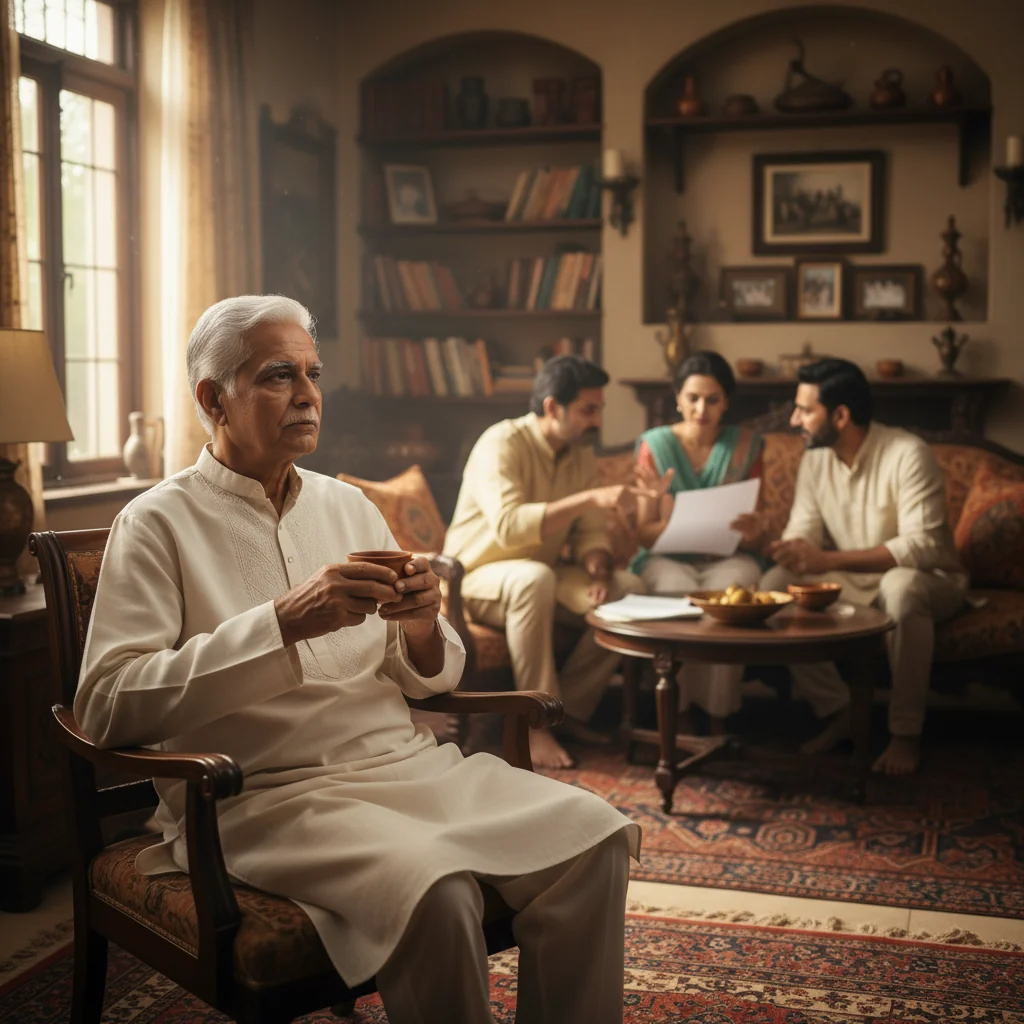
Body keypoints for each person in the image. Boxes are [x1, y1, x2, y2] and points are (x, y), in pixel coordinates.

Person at [75, 296, 640, 1024]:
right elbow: (107, 705)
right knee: (438, 892)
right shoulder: (154, 524)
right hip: (264, 798)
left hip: (408, 768)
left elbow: (426, 674)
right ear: (213, 399)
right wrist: (281, 623)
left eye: (313, 373)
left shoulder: (349, 507)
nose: (308, 394)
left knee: (594, 840)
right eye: (280, 376)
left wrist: (423, 624)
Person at [762, 358, 967, 775]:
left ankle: (904, 735)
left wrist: (826, 560)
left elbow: (923, 546)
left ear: (840, 415)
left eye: (804, 409)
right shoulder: (815, 459)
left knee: (901, 588)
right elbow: (804, 534)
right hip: (852, 581)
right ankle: (839, 710)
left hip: (930, 580)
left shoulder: (907, 453)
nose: (794, 419)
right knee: (774, 583)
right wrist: (776, 543)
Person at [444, 355, 648, 769]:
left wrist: (598, 567)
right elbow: (509, 527)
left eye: (600, 409)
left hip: (541, 577)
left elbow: (591, 531)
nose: (598, 419)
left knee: (630, 592)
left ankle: (565, 710)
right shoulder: (501, 443)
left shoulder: (579, 453)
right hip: (475, 578)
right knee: (533, 579)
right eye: (589, 409)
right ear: (554, 407)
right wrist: (591, 498)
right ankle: (534, 725)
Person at [632, 352, 768, 735]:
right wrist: (669, 520)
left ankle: (719, 715)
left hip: (727, 556)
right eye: (692, 398)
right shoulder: (653, 444)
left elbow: (756, 531)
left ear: (727, 402)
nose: (701, 408)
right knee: (676, 589)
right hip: (666, 557)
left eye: (713, 399)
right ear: (677, 398)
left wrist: (756, 530)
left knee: (734, 594)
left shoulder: (747, 445)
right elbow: (642, 532)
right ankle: (678, 712)